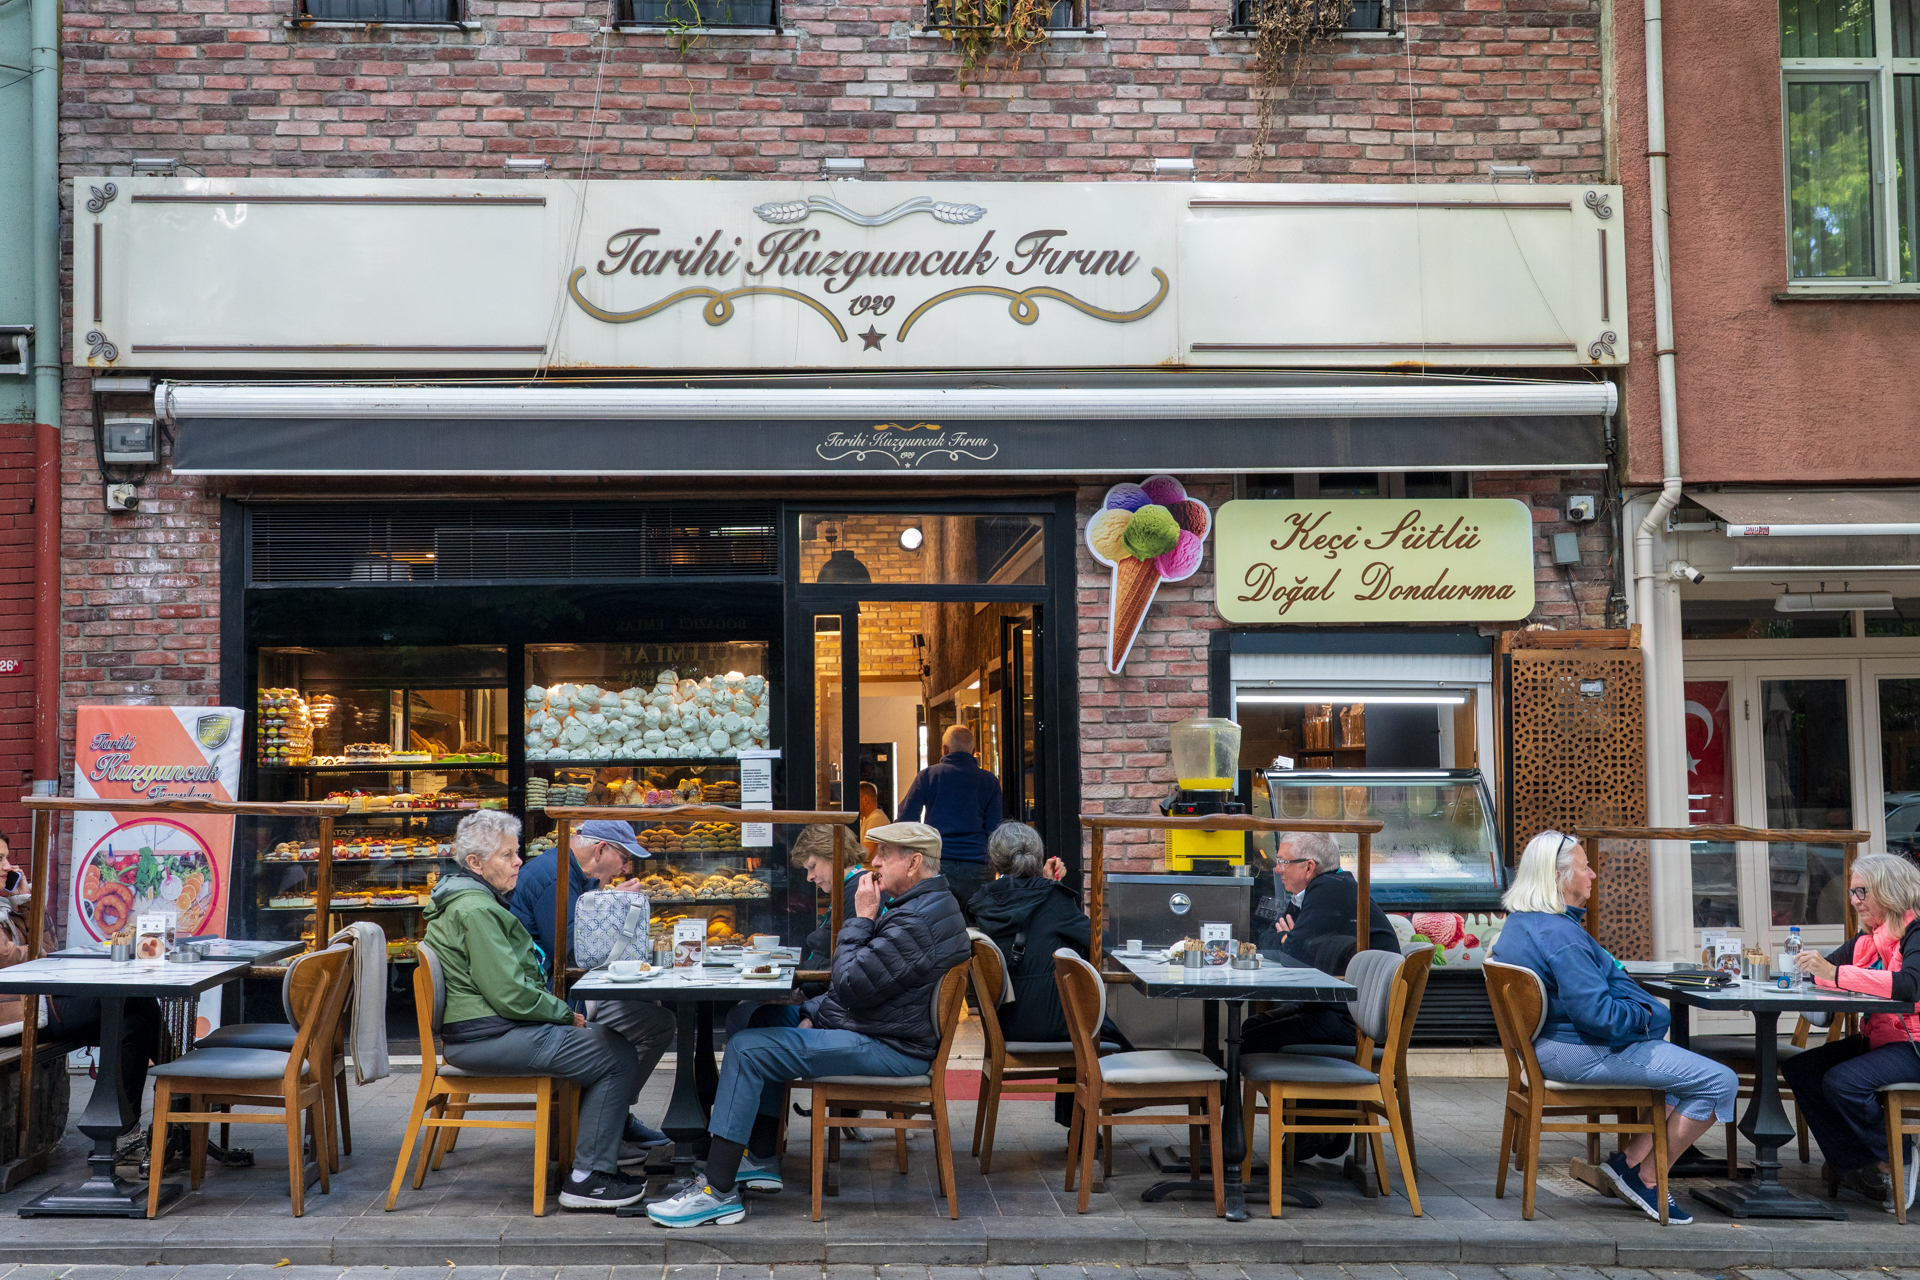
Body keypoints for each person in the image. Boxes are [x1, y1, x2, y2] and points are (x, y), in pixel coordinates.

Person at [645, 821, 970, 1228]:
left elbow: (849, 982)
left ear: (915, 861)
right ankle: (760, 1156)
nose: (875, 862)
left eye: (885, 854)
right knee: (761, 1020)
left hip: (891, 1047)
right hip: (881, 1029)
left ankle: (717, 1190)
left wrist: (863, 918)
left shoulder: (916, 920)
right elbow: (867, 986)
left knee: (748, 1050)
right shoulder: (925, 907)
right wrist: (813, 1012)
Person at [1489, 829, 1737, 1227]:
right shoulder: (1562, 935)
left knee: (1681, 1078)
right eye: (1585, 867)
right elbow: (1599, 1017)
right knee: (1720, 1082)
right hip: (1579, 1051)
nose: (1593, 876)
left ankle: (1630, 1165)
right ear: (1559, 877)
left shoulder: (1522, 923)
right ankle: (1649, 1179)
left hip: (1550, 1047)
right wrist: (1644, 1017)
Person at [421, 810, 648, 1210]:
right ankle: (588, 1178)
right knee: (617, 1053)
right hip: (487, 1036)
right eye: (507, 856)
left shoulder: (469, 899)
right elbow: (509, 993)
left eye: (515, 854)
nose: (518, 863)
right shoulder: (477, 910)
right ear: (475, 864)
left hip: (484, 1030)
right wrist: (562, 1013)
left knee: (609, 1043)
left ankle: (595, 1150)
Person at [509, 818, 674, 1157]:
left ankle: (611, 1118)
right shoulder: (556, 876)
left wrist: (605, 898)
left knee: (651, 1013)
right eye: (624, 859)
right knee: (655, 1024)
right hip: (552, 1000)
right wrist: (611, 901)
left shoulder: (566, 872)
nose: (626, 868)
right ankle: (604, 1123)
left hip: (560, 991)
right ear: (601, 850)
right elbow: (573, 950)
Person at [1782, 851, 1920, 1212]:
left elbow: (1908, 986)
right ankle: (1860, 1166)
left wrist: (1834, 975)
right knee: (1801, 1069)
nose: (1855, 901)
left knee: (1843, 1082)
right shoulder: (1867, 940)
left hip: (1914, 1045)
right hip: (1882, 1041)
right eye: (1853, 893)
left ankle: (1898, 1159)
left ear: (1888, 890)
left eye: (1863, 892)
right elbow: (1824, 970)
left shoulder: (1916, 931)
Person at [967, 820, 1127, 1126]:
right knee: (1089, 1023)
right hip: (1054, 1026)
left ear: (996, 859)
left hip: (1005, 1026)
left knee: (1077, 1016)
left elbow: (1023, 908)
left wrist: (1043, 884)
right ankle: (1085, 1129)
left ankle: (1076, 1126)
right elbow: (1101, 944)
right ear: (1038, 857)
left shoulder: (982, 904)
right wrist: (1050, 887)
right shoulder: (1053, 900)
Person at [896, 725, 1003, 914]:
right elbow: (995, 829)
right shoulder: (989, 781)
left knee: (939, 924)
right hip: (978, 866)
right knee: (979, 925)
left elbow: (906, 820)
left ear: (945, 749)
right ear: (973, 749)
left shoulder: (928, 776)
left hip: (938, 863)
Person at [856, 782, 888, 857]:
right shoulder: (864, 818)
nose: (852, 804)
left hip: (871, 868)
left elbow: (867, 854)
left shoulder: (876, 818)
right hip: (862, 867)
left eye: (855, 799)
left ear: (865, 799)